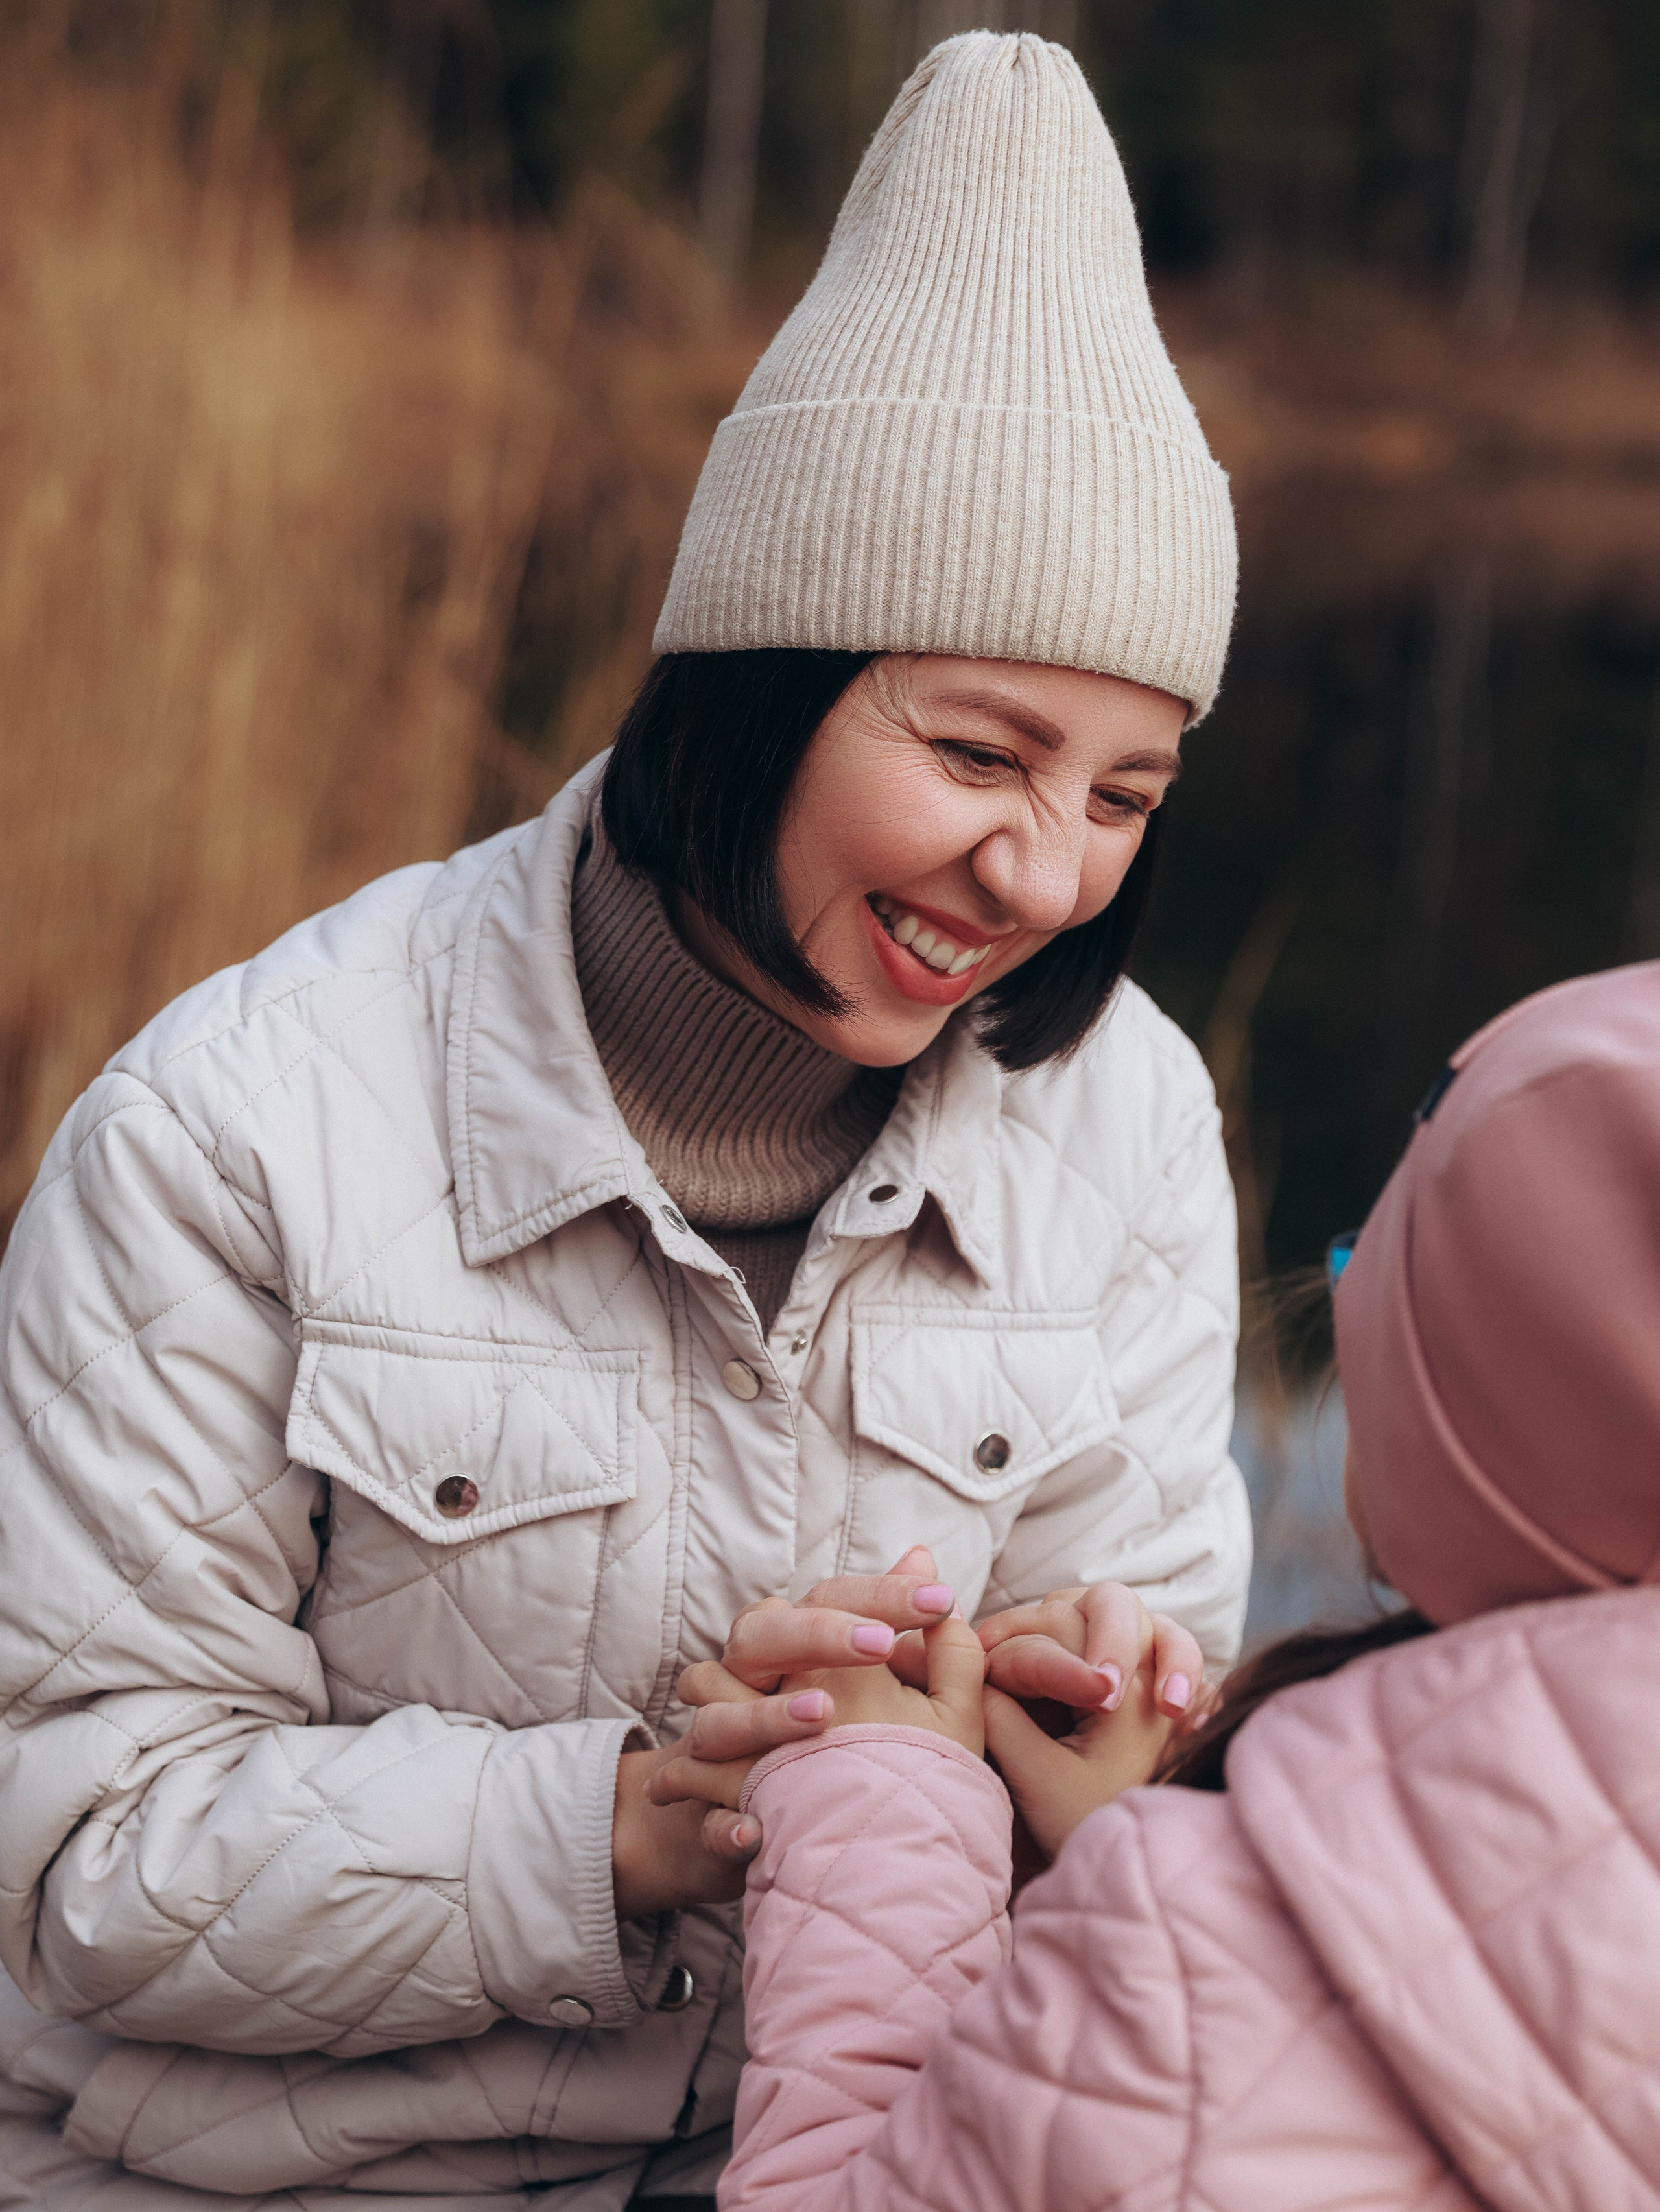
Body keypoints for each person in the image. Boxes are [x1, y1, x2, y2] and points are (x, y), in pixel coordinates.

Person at [0, 32, 1246, 2209]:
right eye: (977, 753)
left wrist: (1128, 1758)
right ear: (761, 668)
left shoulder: (1124, 1115)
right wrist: (617, 1821)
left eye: (1121, 795)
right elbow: (77, 1853)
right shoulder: (240, 1123)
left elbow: (1141, 1876)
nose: (1043, 873)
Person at [682, 960, 1660, 2212]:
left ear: (1489, 1435)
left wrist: (877, 1806)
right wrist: (1136, 1842)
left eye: (1379, 1285)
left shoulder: (1188, 1947)